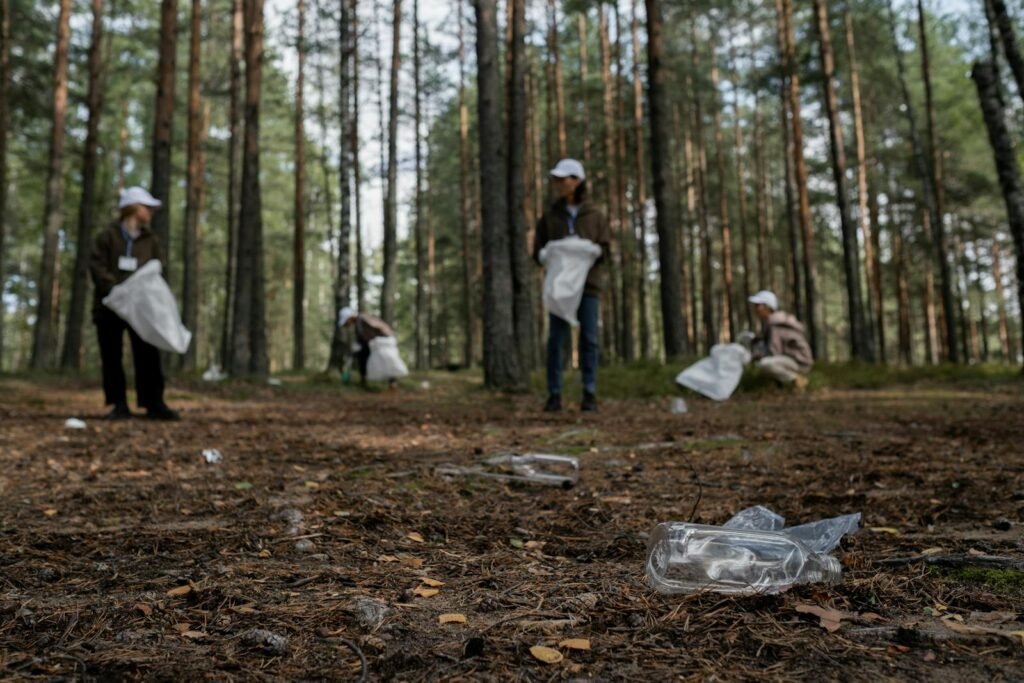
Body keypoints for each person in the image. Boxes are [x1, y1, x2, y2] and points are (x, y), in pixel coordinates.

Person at [89, 187, 180, 420]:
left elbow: (157, 269)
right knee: (111, 356)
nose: (150, 212)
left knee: (148, 353)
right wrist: (114, 290)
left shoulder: (151, 240)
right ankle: (118, 403)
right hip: (109, 307)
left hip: (141, 308)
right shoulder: (107, 236)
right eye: (146, 207)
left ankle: (153, 403)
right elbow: (97, 266)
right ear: (133, 208)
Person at [533, 159, 611, 413]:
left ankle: (589, 393)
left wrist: (594, 251)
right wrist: (544, 255)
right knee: (556, 340)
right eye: (555, 179)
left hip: (588, 287)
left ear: (576, 181)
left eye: (563, 178)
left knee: (589, 340)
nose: (558, 184)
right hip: (559, 289)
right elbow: (538, 249)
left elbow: (606, 250)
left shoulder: (595, 215)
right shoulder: (550, 216)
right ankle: (554, 395)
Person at [748, 290, 813, 389]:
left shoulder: (775, 325)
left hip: (800, 362)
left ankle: (796, 379)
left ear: (767, 307)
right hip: (792, 360)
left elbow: (774, 352)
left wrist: (756, 357)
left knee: (764, 364)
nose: (756, 309)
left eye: (758, 305)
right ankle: (781, 385)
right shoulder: (773, 322)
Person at [338, 307, 398, 388]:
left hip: (380, 342)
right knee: (375, 358)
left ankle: (391, 382)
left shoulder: (360, 320)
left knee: (382, 359)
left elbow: (369, 334)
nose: (347, 324)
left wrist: (360, 345)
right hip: (380, 341)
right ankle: (389, 382)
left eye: (346, 322)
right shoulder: (361, 320)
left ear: (350, 317)